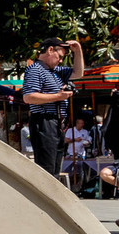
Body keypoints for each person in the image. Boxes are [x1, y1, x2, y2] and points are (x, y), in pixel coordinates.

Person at [22, 35, 82, 176]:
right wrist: (59, 96)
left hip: (57, 123)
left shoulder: (55, 71)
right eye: (60, 57)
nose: (61, 61)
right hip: (44, 121)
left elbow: (78, 73)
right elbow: (29, 97)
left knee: (55, 168)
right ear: (50, 50)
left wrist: (78, 51)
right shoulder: (35, 69)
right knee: (46, 169)